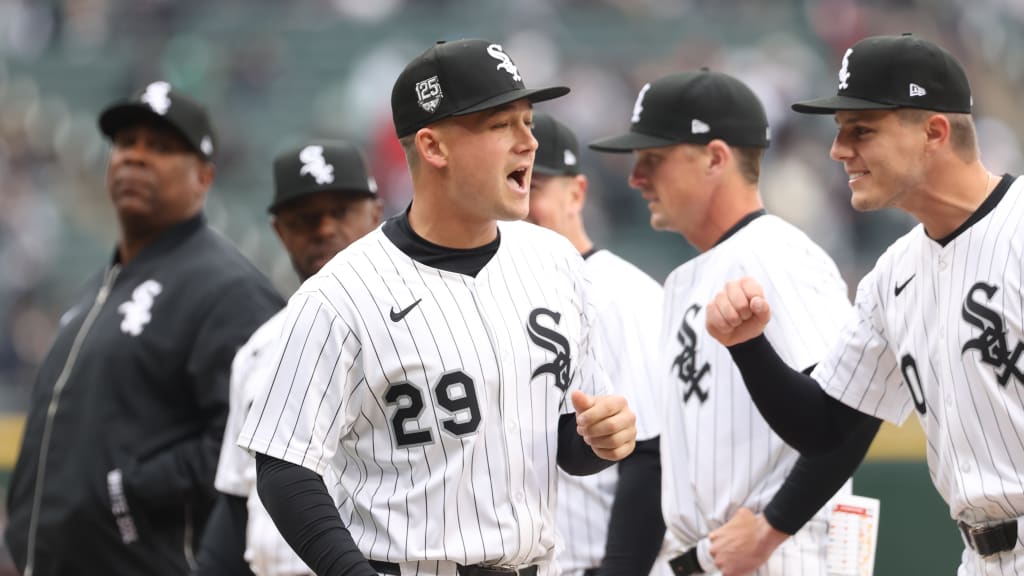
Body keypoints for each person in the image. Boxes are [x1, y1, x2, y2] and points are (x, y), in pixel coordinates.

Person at [237, 38, 638, 576]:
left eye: (529, 121)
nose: (529, 142)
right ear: (434, 148)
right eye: (502, 125)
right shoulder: (342, 292)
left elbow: (568, 439)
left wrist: (600, 440)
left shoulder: (556, 263)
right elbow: (284, 465)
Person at [705, 33, 1024, 575]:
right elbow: (826, 427)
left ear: (934, 131)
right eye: (839, 131)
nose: (838, 149)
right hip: (980, 557)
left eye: (862, 130)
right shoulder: (892, 277)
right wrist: (748, 346)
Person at [589, 69, 880, 575]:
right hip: (706, 556)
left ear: (716, 158)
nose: (636, 178)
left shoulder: (778, 254)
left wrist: (774, 528)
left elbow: (852, 412)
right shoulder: (685, 280)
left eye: (653, 159)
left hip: (781, 555)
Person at [5, 81, 283, 576]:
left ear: (204, 176)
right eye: (126, 143)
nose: (135, 157)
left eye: (159, 147)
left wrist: (127, 494)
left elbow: (257, 447)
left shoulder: (228, 289)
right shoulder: (98, 290)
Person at [194, 141, 382, 576]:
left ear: (376, 213)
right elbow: (238, 503)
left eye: (341, 211)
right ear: (279, 232)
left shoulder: (423, 327)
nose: (324, 228)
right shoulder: (259, 350)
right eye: (304, 219)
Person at [527, 112, 670, 576]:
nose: (522, 205)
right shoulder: (496, 298)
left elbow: (654, 456)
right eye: (514, 184)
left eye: (535, 188)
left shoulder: (621, 293)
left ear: (577, 192)